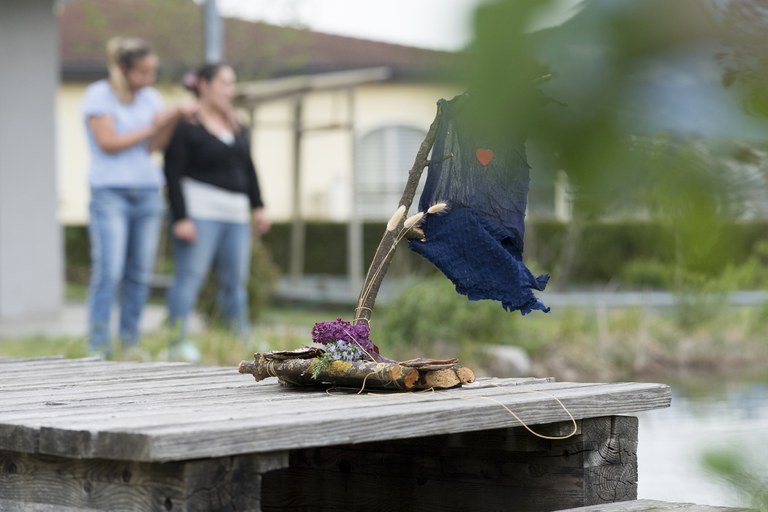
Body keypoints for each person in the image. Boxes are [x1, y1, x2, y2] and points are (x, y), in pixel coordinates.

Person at [82, 37, 194, 357]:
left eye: (153, 71)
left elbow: (153, 146)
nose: (150, 78)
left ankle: (129, 343)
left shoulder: (151, 99)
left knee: (140, 274)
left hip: (147, 193)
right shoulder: (98, 95)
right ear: (124, 69)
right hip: (110, 193)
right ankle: (97, 345)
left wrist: (171, 120)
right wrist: (153, 125)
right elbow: (108, 143)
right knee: (109, 271)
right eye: (143, 72)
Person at [164, 63, 270, 357]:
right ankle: (176, 341)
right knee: (190, 277)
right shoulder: (187, 126)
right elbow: (172, 173)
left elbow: (248, 168)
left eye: (232, 83)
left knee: (235, 282)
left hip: (235, 215)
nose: (229, 90)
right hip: (200, 213)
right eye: (224, 83)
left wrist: (258, 206)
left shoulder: (237, 126)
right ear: (204, 84)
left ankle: (240, 339)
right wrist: (181, 217)